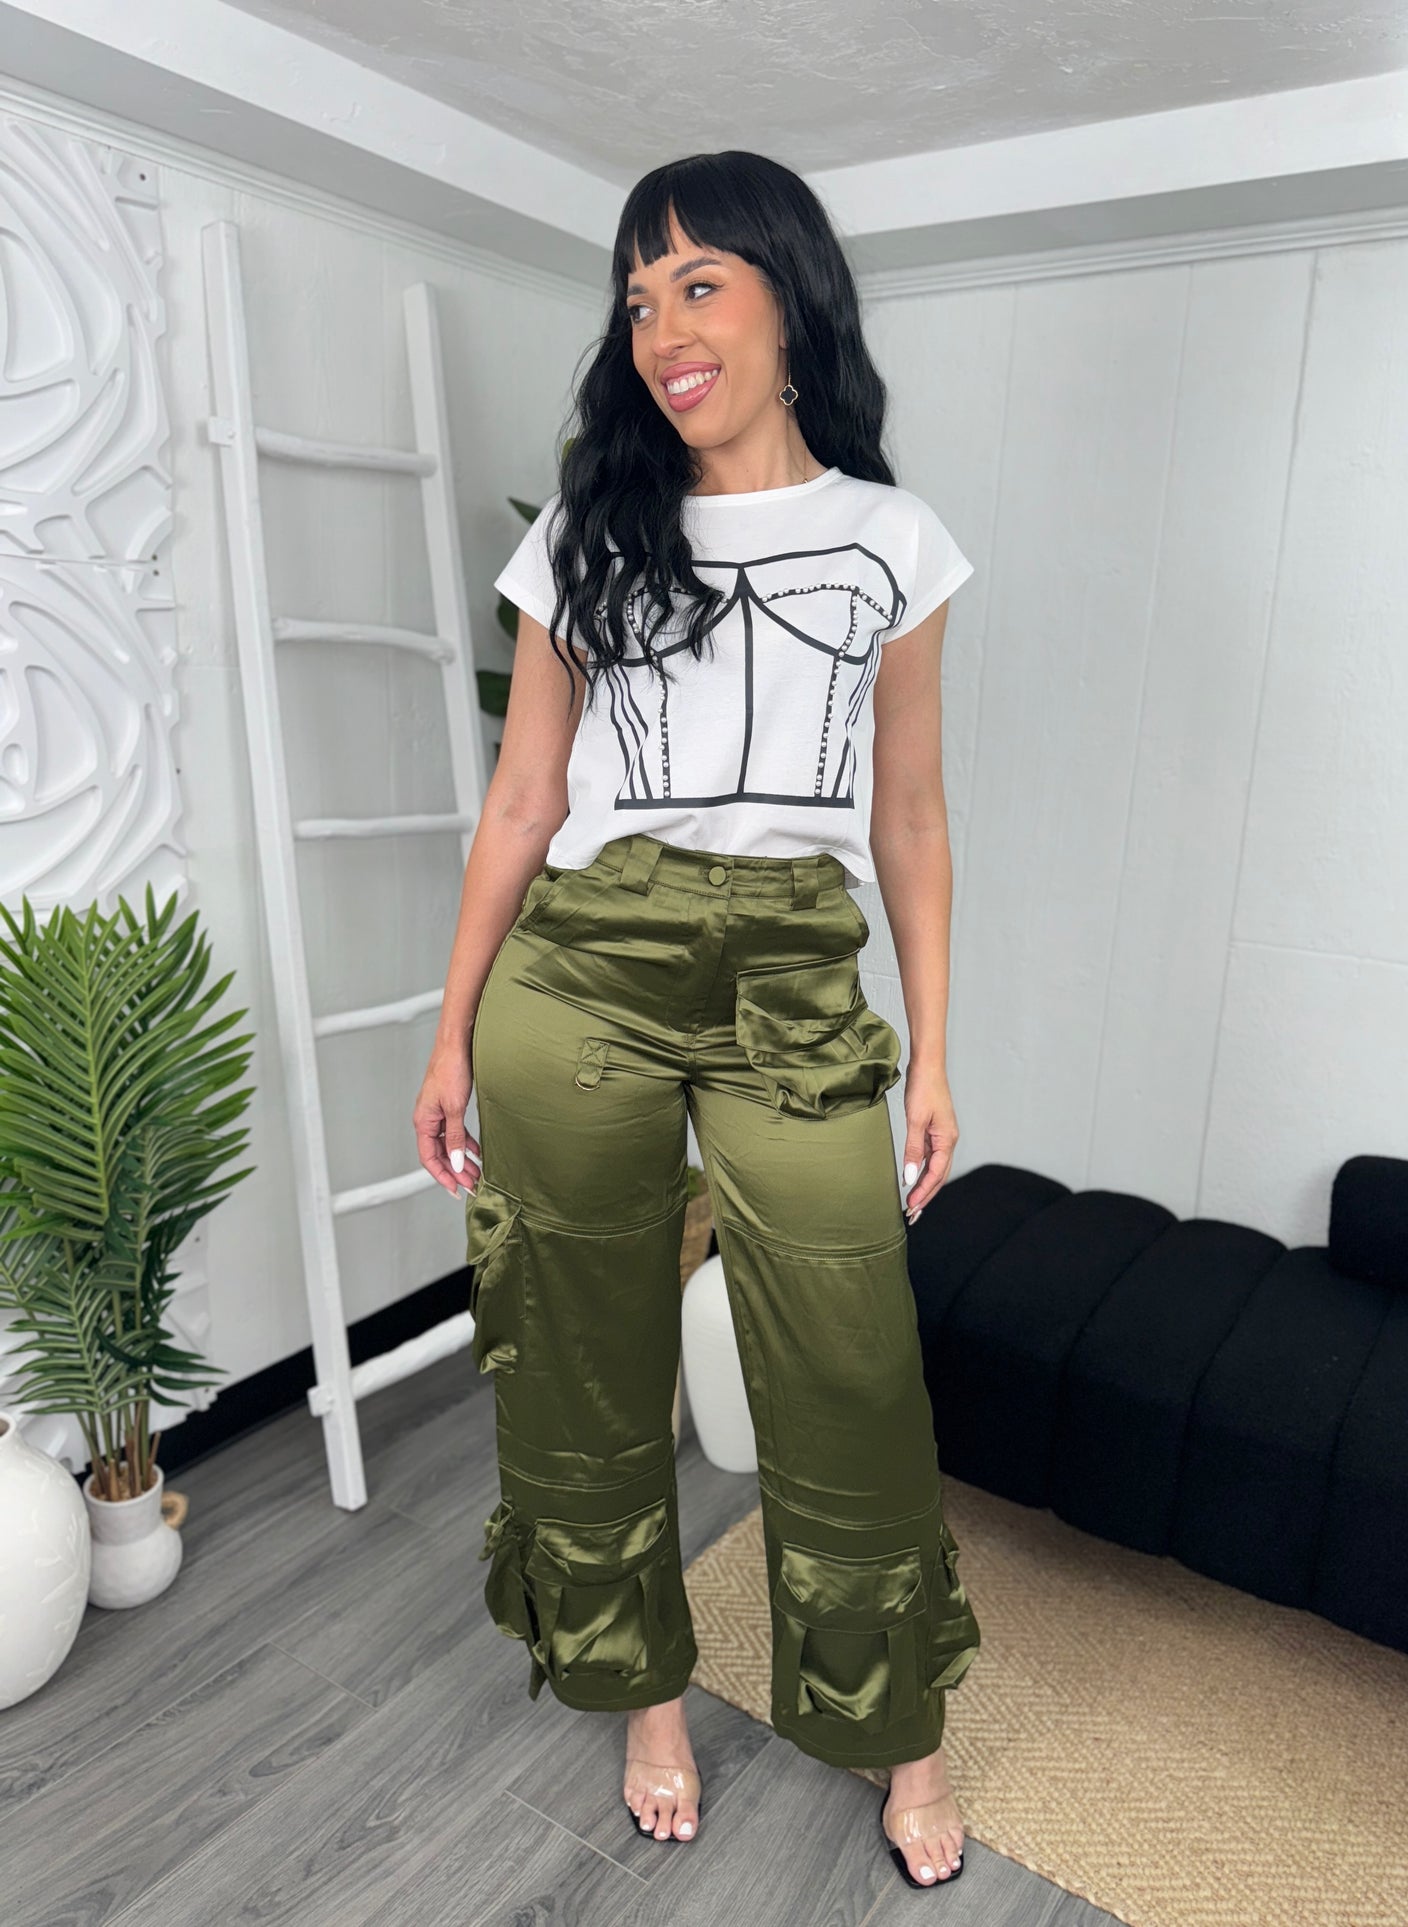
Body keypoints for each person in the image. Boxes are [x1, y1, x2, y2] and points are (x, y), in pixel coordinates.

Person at [414, 149, 982, 1893]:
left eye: (699, 283)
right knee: (581, 1360)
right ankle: (642, 1698)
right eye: (637, 296)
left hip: (794, 981)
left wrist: (933, 1050)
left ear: (789, 304)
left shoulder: (890, 541)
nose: (661, 326)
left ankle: (901, 1723)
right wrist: (450, 1033)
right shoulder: (584, 535)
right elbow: (522, 801)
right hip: (580, 971)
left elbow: (907, 816)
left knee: (849, 1365)